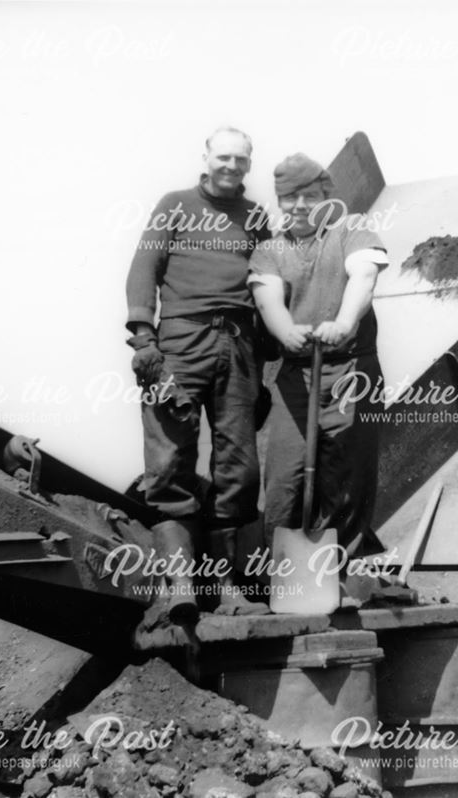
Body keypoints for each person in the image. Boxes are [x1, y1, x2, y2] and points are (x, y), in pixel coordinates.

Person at [125, 127, 272, 623]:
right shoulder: (175, 204)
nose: (231, 166)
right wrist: (145, 339)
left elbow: (268, 283)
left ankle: (229, 586)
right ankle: (180, 585)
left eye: (241, 159)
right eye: (223, 157)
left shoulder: (255, 217)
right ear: (206, 158)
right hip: (182, 343)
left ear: (249, 165)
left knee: (240, 468)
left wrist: (267, 364)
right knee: (168, 462)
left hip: (240, 346)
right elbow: (144, 267)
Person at [248, 153, 389, 585]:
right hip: (296, 376)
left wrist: (345, 324)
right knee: (284, 478)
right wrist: (285, 330)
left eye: (309, 195)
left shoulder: (351, 230)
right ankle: (286, 578)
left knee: (346, 476)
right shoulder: (270, 250)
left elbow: (363, 275)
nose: (300, 205)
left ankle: (339, 577)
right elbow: (267, 297)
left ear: (326, 195)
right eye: (290, 197)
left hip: (351, 371)